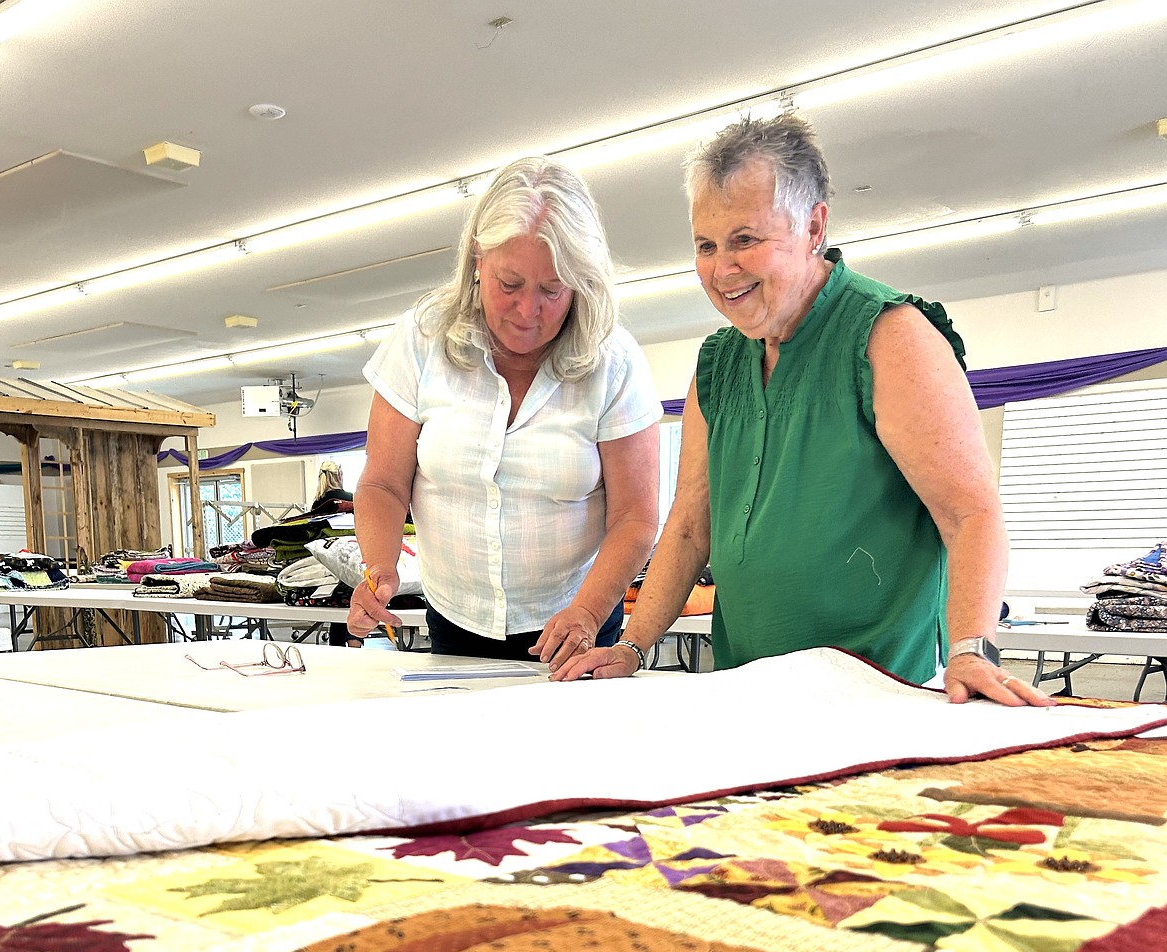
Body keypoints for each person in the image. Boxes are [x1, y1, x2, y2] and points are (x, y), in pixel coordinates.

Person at [556, 114, 1049, 707]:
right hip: (746, 685)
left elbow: (971, 513)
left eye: (746, 239)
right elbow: (690, 525)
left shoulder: (890, 337)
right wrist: (633, 646)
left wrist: (972, 648)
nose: (721, 268)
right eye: (706, 246)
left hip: (883, 690)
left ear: (814, 227)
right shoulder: (718, 363)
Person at [346, 157, 662, 670]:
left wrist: (586, 610)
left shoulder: (615, 362)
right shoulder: (422, 339)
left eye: (552, 291)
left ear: (579, 284)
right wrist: (378, 567)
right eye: (509, 285)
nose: (526, 311)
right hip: (455, 622)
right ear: (477, 260)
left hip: (574, 630)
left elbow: (635, 516)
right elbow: (383, 482)